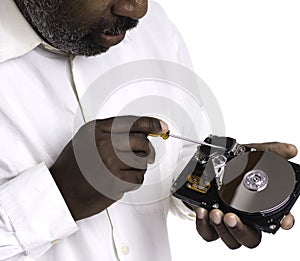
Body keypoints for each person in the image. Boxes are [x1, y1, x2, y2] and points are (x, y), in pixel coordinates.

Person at [0, 0, 296, 260]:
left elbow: (182, 156)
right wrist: (60, 195)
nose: (138, 8)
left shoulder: (153, 28)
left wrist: (219, 181)